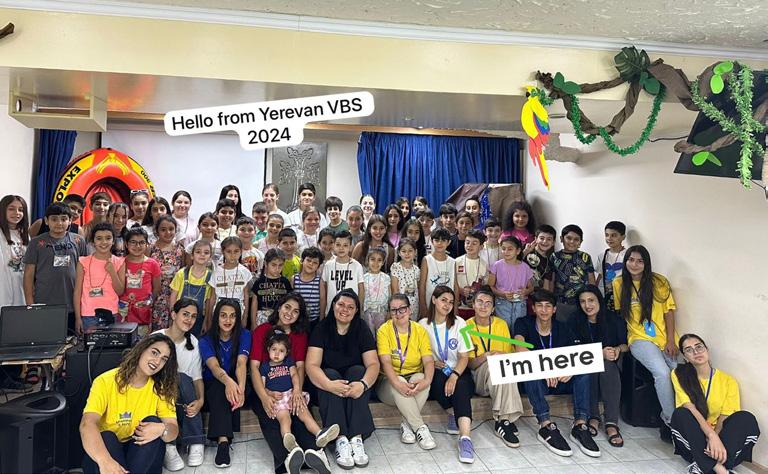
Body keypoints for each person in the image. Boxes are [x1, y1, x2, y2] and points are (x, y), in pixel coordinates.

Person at [513, 288, 600, 458]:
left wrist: (571, 369)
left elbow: (577, 354)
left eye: (548, 306)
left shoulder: (563, 327)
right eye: (540, 306)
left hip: (560, 380)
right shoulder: (523, 323)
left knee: (583, 372)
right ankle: (545, 424)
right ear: (534, 308)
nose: (544, 310)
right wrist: (544, 370)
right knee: (529, 372)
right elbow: (519, 347)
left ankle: (580, 425)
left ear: (554, 309)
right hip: (538, 382)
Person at [250, 292, 331, 474]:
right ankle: (286, 460)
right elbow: (254, 366)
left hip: (291, 386)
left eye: (295, 311)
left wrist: (297, 392)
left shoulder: (300, 335)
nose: (290, 313)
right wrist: (264, 396)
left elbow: (300, 367)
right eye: (287, 307)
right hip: (265, 387)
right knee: (272, 415)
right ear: (279, 307)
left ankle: (315, 454)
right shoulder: (262, 330)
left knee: (299, 409)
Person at [79, 333, 179, 474]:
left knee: (154, 422)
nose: (157, 361)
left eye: (163, 359)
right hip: (109, 453)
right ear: (141, 350)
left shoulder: (161, 388)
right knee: (107, 436)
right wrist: (105, 461)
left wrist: (163, 428)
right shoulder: (105, 381)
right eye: (154, 353)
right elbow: (87, 424)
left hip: (141, 452)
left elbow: (173, 430)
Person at [305, 290, 380, 469]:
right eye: (341, 304)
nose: (345, 309)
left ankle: (356, 437)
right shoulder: (322, 328)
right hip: (325, 385)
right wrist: (329, 385)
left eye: (350, 307)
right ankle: (340, 440)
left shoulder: (361, 328)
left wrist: (363, 385)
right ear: (333, 305)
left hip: (354, 384)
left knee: (358, 371)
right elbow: (311, 365)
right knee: (330, 374)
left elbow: (373, 364)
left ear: (356, 310)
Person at [613, 244, 678, 441]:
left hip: (664, 339)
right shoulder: (618, 283)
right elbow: (620, 314)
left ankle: (687, 419)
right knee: (662, 373)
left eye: (640, 261)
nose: (634, 264)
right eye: (631, 260)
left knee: (679, 374)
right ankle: (671, 422)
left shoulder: (659, 282)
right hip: (639, 339)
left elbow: (669, 312)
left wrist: (670, 340)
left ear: (646, 263)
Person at [670, 334, 761, 474]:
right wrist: (710, 435)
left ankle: (703, 466)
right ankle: (720, 469)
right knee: (681, 414)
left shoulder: (728, 381)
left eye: (699, 347)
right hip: (694, 438)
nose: (696, 352)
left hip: (721, 442)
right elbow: (690, 408)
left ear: (707, 349)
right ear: (685, 357)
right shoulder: (679, 374)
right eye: (689, 350)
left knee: (745, 417)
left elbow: (725, 417)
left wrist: (716, 438)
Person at [260, 331, 340, 472]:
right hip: (278, 399)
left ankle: (319, 434)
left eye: (281, 351)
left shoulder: (289, 362)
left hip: (292, 395)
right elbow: (262, 386)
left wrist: (297, 390)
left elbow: (295, 376)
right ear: (268, 349)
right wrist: (270, 394)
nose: (277, 354)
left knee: (305, 414)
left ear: (287, 353)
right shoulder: (265, 366)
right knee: (285, 419)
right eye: (274, 349)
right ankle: (291, 443)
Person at [419, 286, 476, 464]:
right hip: (436, 371)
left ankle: (465, 439)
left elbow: (464, 357)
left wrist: (454, 375)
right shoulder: (422, 325)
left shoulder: (461, 323)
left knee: (461, 386)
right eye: (443, 300)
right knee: (436, 380)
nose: (447, 305)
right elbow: (418, 355)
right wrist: (430, 361)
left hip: (459, 369)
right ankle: (452, 412)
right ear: (434, 300)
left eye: (451, 302)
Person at [568, 285, 628, 447]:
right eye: (583, 301)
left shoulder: (613, 319)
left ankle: (611, 422)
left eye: (591, 300)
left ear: (599, 300)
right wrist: (598, 354)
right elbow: (572, 349)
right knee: (593, 365)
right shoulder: (574, 320)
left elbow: (626, 344)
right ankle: (593, 417)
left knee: (607, 366)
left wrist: (617, 349)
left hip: (611, 364)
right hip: (585, 363)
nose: (587, 305)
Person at [376, 294, 437, 450]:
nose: (398, 313)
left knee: (421, 377)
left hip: (413, 378)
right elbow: (386, 362)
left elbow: (428, 361)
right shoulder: (384, 330)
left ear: (410, 310)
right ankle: (420, 428)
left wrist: (427, 380)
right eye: (394, 310)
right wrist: (397, 383)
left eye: (402, 309)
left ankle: (406, 425)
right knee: (400, 381)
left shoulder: (420, 330)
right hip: (387, 382)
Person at [466, 287, 524, 449]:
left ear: (493, 308)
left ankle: (502, 420)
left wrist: (499, 356)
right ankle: (505, 419)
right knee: (497, 366)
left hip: (499, 373)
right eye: (480, 302)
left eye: (488, 303)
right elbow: (469, 364)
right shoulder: (465, 327)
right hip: (478, 376)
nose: (483, 306)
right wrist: (487, 355)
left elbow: (510, 355)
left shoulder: (501, 324)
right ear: (473, 305)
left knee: (504, 367)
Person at [153, 298, 206, 471]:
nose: (189, 320)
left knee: (182, 378)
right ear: (174, 314)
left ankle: (196, 441)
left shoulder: (194, 343)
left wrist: (200, 400)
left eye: (193, 316)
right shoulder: (156, 338)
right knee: (171, 377)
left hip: (183, 398)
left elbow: (197, 377)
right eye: (185, 314)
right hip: (158, 398)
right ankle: (169, 446)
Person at [199, 299, 251, 468]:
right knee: (219, 387)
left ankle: (223, 440)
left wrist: (240, 388)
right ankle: (223, 442)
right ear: (216, 317)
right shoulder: (206, 340)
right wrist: (228, 381)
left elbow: (241, 363)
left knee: (232, 387)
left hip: (238, 381)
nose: (228, 320)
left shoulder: (244, 335)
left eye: (232, 316)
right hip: (213, 384)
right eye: (223, 315)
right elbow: (214, 367)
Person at [23, 202, 88, 332]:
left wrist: (81, 310)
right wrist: (30, 305)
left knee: (71, 340)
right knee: (45, 339)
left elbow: (84, 274)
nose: (59, 223)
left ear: (70, 221)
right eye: (54, 219)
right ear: (47, 221)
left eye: (64, 219)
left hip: (72, 305)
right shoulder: (36, 243)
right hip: (44, 303)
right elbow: (28, 275)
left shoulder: (78, 241)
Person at [74, 223, 125, 334]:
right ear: (93, 241)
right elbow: (77, 291)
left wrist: (112, 272)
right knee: (90, 344)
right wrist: (78, 318)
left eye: (108, 238)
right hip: (88, 314)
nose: (104, 242)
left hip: (111, 313)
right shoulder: (83, 262)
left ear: (113, 241)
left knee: (110, 344)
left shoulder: (119, 262)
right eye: (99, 238)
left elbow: (120, 291)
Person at [119, 227, 161, 336]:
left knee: (142, 341)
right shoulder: (120, 262)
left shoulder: (153, 264)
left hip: (143, 312)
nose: (137, 246)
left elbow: (157, 288)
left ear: (147, 244)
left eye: (142, 242)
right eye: (133, 242)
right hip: (123, 312)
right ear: (126, 244)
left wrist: (147, 302)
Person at [549, 224, 595, 321]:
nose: (572, 242)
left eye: (576, 239)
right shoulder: (554, 256)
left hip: (582, 302)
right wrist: (550, 299)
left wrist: (592, 299)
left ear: (580, 242)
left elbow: (591, 280)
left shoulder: (585, 257)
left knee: (580, 326)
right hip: (560, 302)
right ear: (561, 239)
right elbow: (551, 280)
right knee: (562, 326)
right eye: (568, 238)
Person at [169, 240, 214, 337]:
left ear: (210, 257)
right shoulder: (182, 273)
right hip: (179, 317)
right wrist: (173, 312)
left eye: (206, 253)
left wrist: (206, 321)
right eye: (198, 252)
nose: (202, 255)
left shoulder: (211, 277)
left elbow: (208, 302)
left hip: (198, 320)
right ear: (192, 255)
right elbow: (173, 296)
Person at [489, 236, 534, 331]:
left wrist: (525, 291)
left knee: (518, 329)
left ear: (518, 251)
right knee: (503, 329)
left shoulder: (525, 267)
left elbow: (531, 287)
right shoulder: (496, 265)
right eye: (503, 249)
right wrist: (502, 294)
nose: (506, 252)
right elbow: (490, 286)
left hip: (520, 304)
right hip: (502, 303)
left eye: (510, 249)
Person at [149, 215, 185, 331]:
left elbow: (183, 270)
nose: (168, 233)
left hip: (175, 294)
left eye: (171, 229)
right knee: (157, 329)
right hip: (156, 294)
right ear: (157, 231)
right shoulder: (150, 249)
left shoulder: (180, 249)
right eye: (163, 229)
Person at [320, 230, 365, 316]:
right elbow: (324, 292)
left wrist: (359, 311)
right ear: (334, 246)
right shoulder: (328, 265)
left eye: (345, 245)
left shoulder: (357, 266)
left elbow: (361, 289)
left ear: (351, 247)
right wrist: (322, 315)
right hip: (331, 312)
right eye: (338, 245)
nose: (341, 248)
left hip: (350, 313)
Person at [211, 236, 251, 320]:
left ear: (241, 251)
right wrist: (209, 319)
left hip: (238, 311)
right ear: (223, 252)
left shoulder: (245, 272)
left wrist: (245, 317)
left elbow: (246, 296)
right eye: (229, 251)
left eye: (236, 251)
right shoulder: (216, 272)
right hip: (219, 311)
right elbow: (212, 297)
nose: (232, 255)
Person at [418, 228, 456, 316]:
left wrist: (455, 308)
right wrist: (423, 306)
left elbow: (455, 286)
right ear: (432, 241)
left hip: (447, 307)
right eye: (437, 240)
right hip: (430, 304)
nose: (440, 243)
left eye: (443, 240)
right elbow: (422, 285)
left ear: (449, 242)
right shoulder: (427, 260)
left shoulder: (452, 262)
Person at [251, 248, 292, 327]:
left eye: (280, 265)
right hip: (261, 318)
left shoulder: (285, 282)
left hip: (280, 317)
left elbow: (289, 302)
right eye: (273, 265)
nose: (277, 269)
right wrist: (253, 323)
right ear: (266, 264)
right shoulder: (259, 281)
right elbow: (254, 303)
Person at [0, 195, 29, 307]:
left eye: (21, 210)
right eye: (11, 209)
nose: (17, 213)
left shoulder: (24, 234)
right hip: (4, 287)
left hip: (20, 286)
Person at [455, 229, 488, 319]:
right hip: (458, 306)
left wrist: (476, 293)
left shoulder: (484, 265)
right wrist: (461, 290)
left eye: (474, 243)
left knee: (472, 327)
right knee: (460, 327)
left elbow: (485, 286)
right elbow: (452, 282)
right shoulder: (457, 261)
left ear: (481, 246)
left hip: (476, 308)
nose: (470, 245)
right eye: (467, 242)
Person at [595, 221, 626, 315]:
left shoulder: (628, 255)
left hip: (621, 296)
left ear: (623, 237)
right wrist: (595, 292)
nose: (609, 238)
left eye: (614, 235)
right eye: (607, 235)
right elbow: (600, 276)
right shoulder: (602, 255)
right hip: (605, 296)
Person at [389, 238, 421, 321]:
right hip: (400, 308)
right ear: (399, 253)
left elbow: (418, 289)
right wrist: (399, 307)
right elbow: (395, 290)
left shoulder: (417, 269)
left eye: (410, 251)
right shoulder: (396, 267)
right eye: (404, 251)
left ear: (415, 252)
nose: (407, 254)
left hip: (414, 306)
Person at [361, 248, 390, 337]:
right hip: (367, 313)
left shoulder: (386, 278)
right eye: (373, 259)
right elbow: (361, 296)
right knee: (368, 336)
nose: (376, 263)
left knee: (381, 336)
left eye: (379, 260)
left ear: (383, 262)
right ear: (368, 261)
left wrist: (389, 312)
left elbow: (390, 296)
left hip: (382, 313)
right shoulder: (363, 278)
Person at [292, 247, 324, 329]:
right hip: (297, 320)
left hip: (314, 321)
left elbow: (322, 301)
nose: (311, 264)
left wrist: (321, 321)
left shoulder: (319, 281)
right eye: (308, 260)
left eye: (315, 262)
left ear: (318, 266)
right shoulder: (294, 279)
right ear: (302, 261)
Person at [523, 224, 556, 291]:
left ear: (553, 242)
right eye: (542, 238)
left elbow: (546, 286)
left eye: (549, 239)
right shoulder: (526, 249)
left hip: (534, 294)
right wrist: (526, 252)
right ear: (536, 239)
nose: (545, 241)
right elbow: (512, 263)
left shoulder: (549, 263)